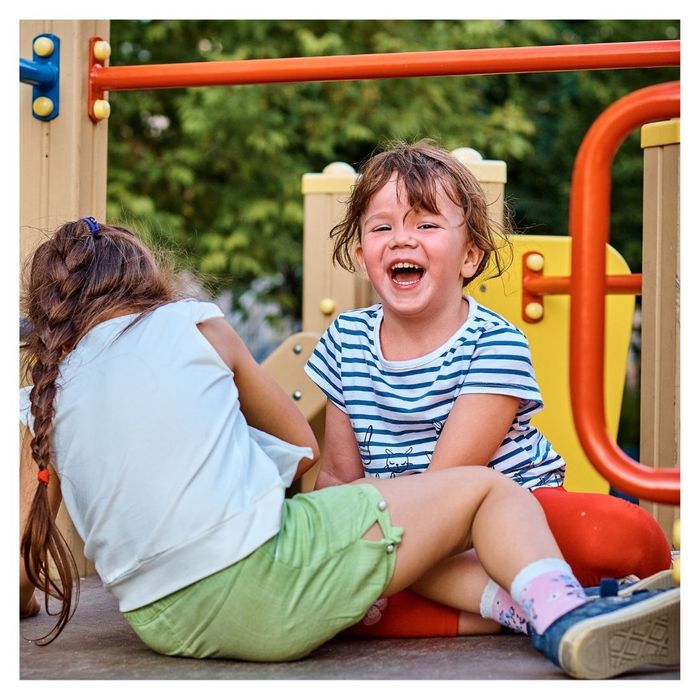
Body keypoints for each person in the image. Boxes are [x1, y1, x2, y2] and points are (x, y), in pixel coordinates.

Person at [19, 218, 679, 680]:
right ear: (145, 283)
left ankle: (529, 611)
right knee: (488, 492)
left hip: (163, 625)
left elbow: (19, 563)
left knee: (401, 550)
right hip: (263, 581)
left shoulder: (41, 393)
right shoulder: (193, 323)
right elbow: (301, 446)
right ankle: (563, 615)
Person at [304, 139, 674, 639]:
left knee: (622, 536)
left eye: (426, 224)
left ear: (470, 256)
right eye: (381, 227)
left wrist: (377, 562)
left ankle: (490, 596)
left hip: (512, 518)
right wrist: (340, 544)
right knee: (321, 582)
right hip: (409, 535)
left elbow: (449, 485)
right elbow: (338, 480)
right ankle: (526, 608)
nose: (401, 239)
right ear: (360, 253)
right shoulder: (346, 342)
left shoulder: (493, 342)